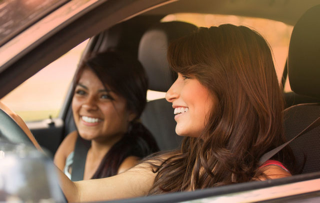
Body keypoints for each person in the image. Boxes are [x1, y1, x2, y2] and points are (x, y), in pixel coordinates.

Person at [2, 24, 295, 202]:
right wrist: (20, 136)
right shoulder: (176, 164)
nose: (169, 93)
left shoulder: (269, 184)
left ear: (228, 86)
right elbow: (76, 195)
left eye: (185, 77)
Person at [54, 51, 159, 180]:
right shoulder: (71, 144)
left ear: (131, 110)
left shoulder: (129, 170)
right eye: (81, 92)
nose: (88, 105)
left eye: (105, 96)